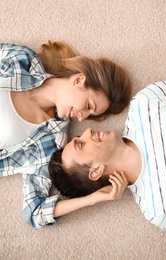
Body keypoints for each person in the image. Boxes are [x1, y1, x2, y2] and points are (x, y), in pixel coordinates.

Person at [49, 73, 166, 234]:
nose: (87, 131)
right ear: (95, 171)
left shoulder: (144, 104)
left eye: (79, 137)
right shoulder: (160, 211)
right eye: (81, 144)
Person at [0, 41, 132, 229]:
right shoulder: (22, 60)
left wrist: (92, 199)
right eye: (88, 107)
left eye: (89, 115)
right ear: (79, 80)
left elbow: (35, 212)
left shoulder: (51, 141)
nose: (81, 117)